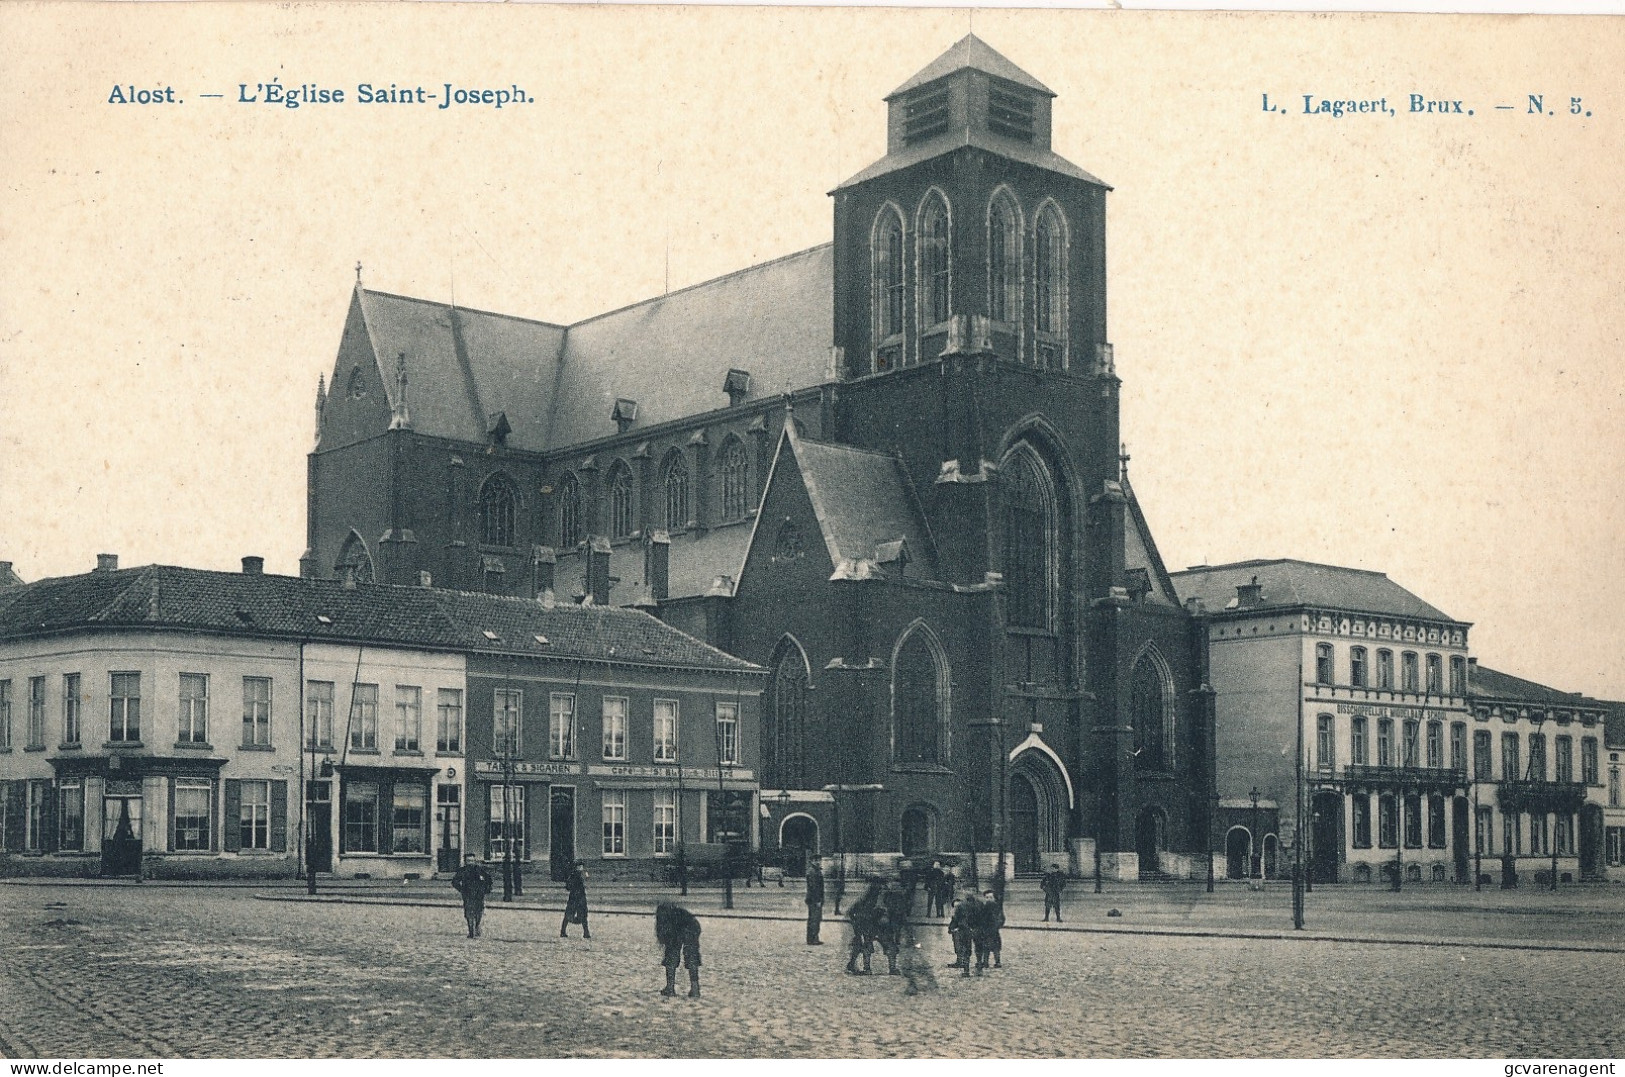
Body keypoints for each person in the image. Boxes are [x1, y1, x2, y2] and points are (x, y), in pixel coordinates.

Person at [654, 902, 703, 997]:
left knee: (672, 957)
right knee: (691, 957)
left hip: (685, 928)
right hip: (691, 927)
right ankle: (695, 988)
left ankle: (670, 987)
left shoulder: (666, 918)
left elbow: (665, 936)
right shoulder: (676, 914)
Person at [845, 878, 886, 975]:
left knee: (859, 944)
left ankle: (851, 964)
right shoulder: (870, 899)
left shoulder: (869, 897)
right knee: (866, 944)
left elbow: (852, 911)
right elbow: (853, 911)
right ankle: (866, 968)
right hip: (864, 923)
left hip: (863, 923)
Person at [450, 853, 494, 938]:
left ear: (475, 861)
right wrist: (461, 889)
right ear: (465, 862)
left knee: (479, 912)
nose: (471, 863)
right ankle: (471, 931)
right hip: (468, 894)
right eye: (469, 861)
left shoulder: (480, 870)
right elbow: (455, 882)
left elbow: (489, 880)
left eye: (472, 860)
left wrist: (485, 889)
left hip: (479, 894)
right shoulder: (462, 871)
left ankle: (477, 926)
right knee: (468, 912)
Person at [945, 893, 980, 977]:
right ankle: (962, 963)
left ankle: (966, 969)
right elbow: (954, 921)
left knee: (965, 950)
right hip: (962, 931)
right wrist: (951, 928)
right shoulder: (963, 910)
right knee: (960, 948)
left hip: (963, 931)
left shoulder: (966, 910)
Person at [561, 860, 591, 939]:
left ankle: (586, 932)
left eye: (582, 867)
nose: (581, 868)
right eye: (580, 867)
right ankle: (563, 931)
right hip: (576, 897)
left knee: (580, 915)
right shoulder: (574, 875)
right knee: (572, 914)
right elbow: (569, 886)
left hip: (578, 897)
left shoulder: (578, 874)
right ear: (577, 867)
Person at [977, 889, 1005, 970]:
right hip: (986, 931)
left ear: (994, 898)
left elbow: (1001, 918)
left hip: (994, 931)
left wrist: (997, 926)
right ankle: (985, 962)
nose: (989, 899)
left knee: (995, 948)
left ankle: (997, 962)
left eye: (990, 897)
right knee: (985, 947)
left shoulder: (997, 907)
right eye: (987, 897)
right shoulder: (983, 907)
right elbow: (981, 918)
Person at [804, 860, 825, 945]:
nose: (818, 862)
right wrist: (818, 900)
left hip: (813, 899)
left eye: (819, 860)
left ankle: (812, 938)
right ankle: (813, 939)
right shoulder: (813, 872)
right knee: (815, 919)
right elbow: (814, 888)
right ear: (812, 861)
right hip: (814, 899)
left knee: (814, 919)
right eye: (816, 860)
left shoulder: (815, 870)